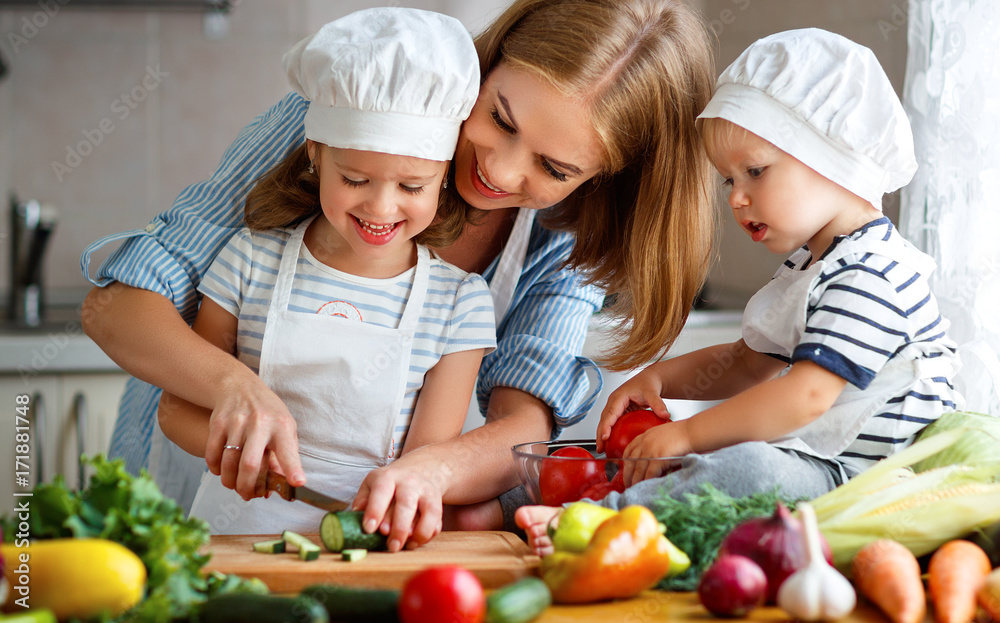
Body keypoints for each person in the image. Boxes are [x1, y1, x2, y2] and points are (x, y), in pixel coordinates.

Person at [80, 0, 716, 550]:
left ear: (600, 180)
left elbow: (524, 421)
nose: (499, 169)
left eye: (553, 168)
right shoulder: (357, 104)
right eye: (499, 118)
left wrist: (430, 474)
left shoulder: (565, 230)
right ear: (490, 63)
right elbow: (115, 309)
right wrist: (233, 389)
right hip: (187, 486)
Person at [516, 28, 961, 554]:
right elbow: (748, 362)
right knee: (728, 459)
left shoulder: (872, 274)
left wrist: (686, 433)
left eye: (755, 171)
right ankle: (597, 511)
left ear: (835, 159)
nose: (737, 197)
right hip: (827, 467)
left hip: (875, 487)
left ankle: (595, 523)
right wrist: (658, 377)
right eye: (729, 179)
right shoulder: (814, 265)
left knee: (749, 464)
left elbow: (806, 396)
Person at [152, 9, 496, 534]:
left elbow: (427, 463)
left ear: (444, 176)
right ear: (316, 153)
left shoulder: (459, 303)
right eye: (355, 178)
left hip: (371, 539)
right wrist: (241, 459)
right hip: (232, 528)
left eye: (412, 186)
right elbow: (177, 410)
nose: (381, 208)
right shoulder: (250, 259)